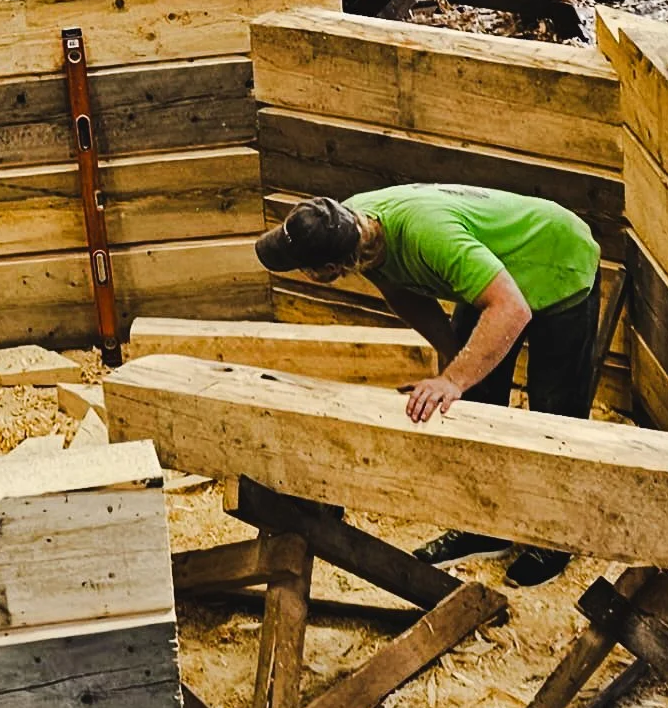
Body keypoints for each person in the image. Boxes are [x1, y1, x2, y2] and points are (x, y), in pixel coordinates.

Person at [254, 183, 602, 586]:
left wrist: (452, 380)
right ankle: (485, 524)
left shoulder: (428, 234)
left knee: (554, 413)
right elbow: (401, 290)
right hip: (494, 271)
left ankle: (556, 536)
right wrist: (452, 357)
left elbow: (512, 308)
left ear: (329, 270)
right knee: (472, 402)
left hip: (555, 257)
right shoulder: (351, 228)